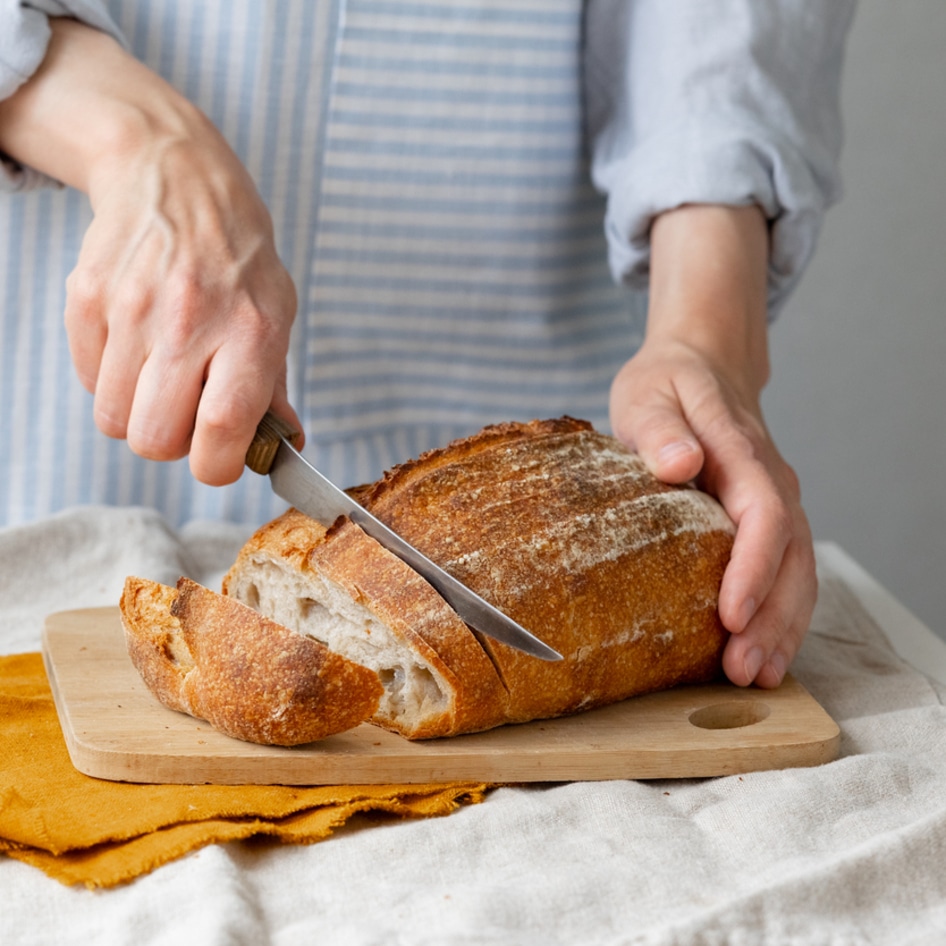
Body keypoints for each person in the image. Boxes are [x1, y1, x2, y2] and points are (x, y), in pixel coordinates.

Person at [0, 0, 856, 689]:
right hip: (55, 464)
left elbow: (721, 40)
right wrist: (133, 138)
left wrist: (704, 334)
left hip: (538, 467)